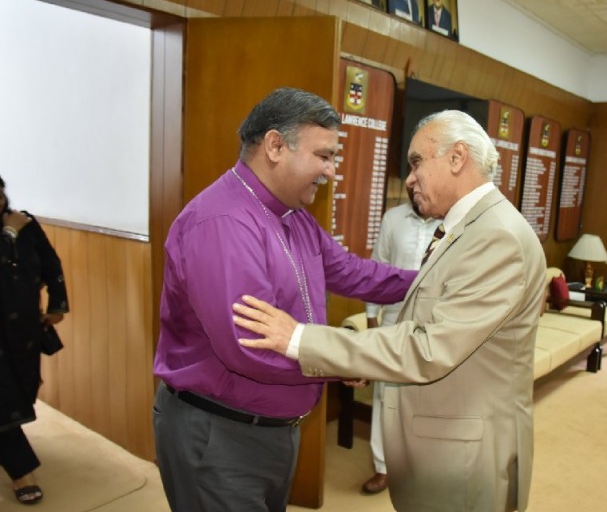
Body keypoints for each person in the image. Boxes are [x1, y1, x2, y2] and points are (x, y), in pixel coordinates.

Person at [233, 109, 548, 511]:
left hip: (464, 457)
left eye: (417, 162)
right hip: (443, 443)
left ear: (457, 158)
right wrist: (359, 357)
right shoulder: (472, 227)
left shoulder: (496, 237)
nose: (410, 178)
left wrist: (300, 338)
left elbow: (428, 348)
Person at [152, 87, 416, 512]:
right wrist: (343, 359)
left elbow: (353, 272)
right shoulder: (223, 222)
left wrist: (433, 279)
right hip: (221, 436)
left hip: (272, 429)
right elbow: (249, 348)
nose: (331, 171)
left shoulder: (293, 216)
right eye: (324, 156)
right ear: (275, 146)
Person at [360, 184, 441, 495]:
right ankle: (382, 467)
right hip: (393, 320)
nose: (416, 187)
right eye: (412, 183)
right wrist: (371, 318)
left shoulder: (452, 222)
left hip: (434, 323)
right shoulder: (393, 219)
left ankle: (419, 466)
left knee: (426, 396)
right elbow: (377, 268)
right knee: (385, 397)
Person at [0, 176, 69, 505]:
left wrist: (58, 304)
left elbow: (51, 264)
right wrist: (8, 235)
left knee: (22, 391)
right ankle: (22, 472)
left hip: (23, 330)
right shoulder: (13, 229)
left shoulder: (25, 223)